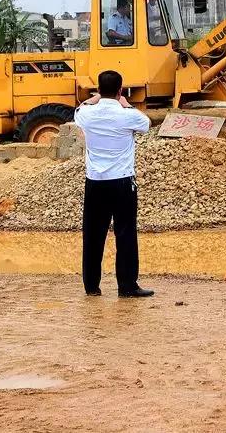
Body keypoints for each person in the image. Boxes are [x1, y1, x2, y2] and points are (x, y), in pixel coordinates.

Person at [74, 70, 154, 298]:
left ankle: (91, 286)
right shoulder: (128, 115)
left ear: (98, 90)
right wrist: (125, 104)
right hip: (121, 182)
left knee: (92, 235)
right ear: (121, 90)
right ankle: (127, 286)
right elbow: (146, 124)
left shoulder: (87, 114)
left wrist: (97, 98)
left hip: (95, 183)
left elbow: (79, 109)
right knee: (126, 233)